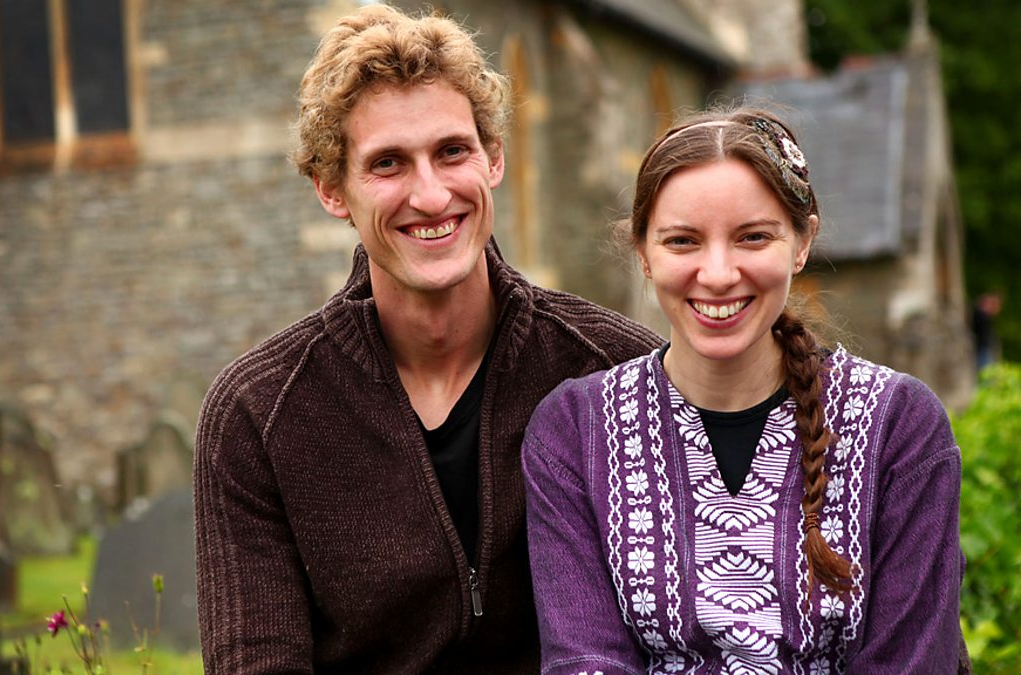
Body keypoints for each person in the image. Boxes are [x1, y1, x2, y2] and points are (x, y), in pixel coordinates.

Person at [192, 5, 661, 673]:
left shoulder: (616, 370)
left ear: (494, 158)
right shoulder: (257, 415)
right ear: (332, 190)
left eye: (452, 151)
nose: (432, 195)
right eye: (388, 163)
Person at [523, 107, 965, 673]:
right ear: (644, 254)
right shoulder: (574, 431)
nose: (718, 274)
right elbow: (586, 659)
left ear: (802, 243)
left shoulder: (900, 426)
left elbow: (911, 661)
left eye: (753, 237)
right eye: (682, 241)